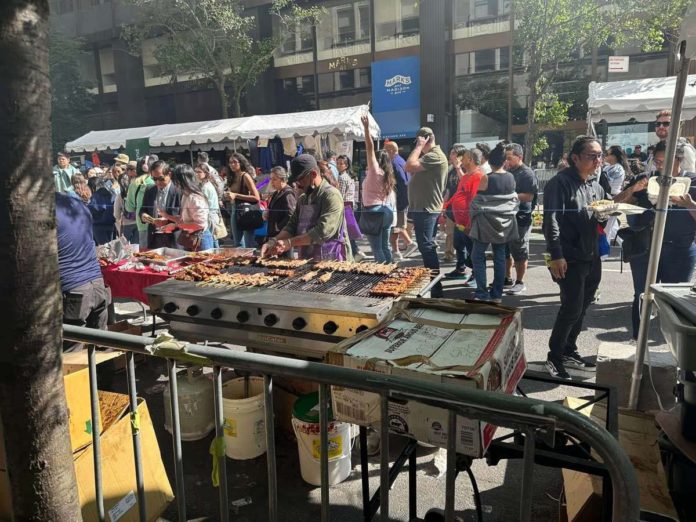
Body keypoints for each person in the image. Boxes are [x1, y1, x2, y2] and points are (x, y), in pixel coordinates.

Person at [614, 139, 696, 340]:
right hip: (645, 249)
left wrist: (689, 204)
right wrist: (633, 190)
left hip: (680, 250)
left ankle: (675, 344)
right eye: (657, 162)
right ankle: (638, 340)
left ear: (679, 160)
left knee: (675, 300)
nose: (661, 167)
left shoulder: (692, 182)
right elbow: (615, 204)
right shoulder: (646, 178)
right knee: (642, 296)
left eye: (665, 161)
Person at [543, 136, 607, 380]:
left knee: (582, 307)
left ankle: (569, 350)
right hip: (568, 257)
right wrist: (556, 255)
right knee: (570, 308)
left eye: (600, 155)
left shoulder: (595, 186)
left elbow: (598, 218)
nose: (598, 160)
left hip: (591, 255)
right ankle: (555, 356)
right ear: (575, 158)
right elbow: (551, 220)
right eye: (592, 155)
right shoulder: (559, 183)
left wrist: (604, 216)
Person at [261, 154, 351, 261]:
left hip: (333, 259)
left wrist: (289, 243)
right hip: (308, 259)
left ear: (313, 174)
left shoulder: (332, 195)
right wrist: (273, 241)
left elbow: (322, 232)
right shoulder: (303, 199)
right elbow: (291, 226)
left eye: (300, 179)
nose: (297, 184)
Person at [56, 191, 111, 350]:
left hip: (73, 290)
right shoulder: (77, 204)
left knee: (72, 349)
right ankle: (106, 374)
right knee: (103, 343)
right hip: (97, 284)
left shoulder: (43, 211)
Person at [469, 143, 519, 303]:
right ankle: (497, 294)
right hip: (505, 224)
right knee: (499, 256)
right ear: (505, 161)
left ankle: (482, 292)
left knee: (477, 256)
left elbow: (476, 202)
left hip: (485, 224)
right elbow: (513, 199)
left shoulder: (486, 178)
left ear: (489, 162)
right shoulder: (511, 177)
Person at [404, 127, 449, 297]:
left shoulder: (435, 155)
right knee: (426, 246)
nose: (417, 145)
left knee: (426, 247)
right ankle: (434, 285)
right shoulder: (430, 157)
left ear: (425, 139)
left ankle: (436, 287)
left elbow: (409, 166)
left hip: (426, 208)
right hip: (422, 208)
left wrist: (418, 147)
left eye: (418, 141)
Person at [444, 148, 485, 280]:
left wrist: (469, 224)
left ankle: (476, 275)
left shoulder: (478, 176)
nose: (462, 159)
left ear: (470, 160)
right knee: (458, 244)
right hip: (459, 220)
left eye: (464, 157)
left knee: (472, 250)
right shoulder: (467, 174)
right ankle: (461, 269)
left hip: (468, 222)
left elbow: (474, 201)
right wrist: (446, 205)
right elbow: (459, 192)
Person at [360, 115, 396, 264]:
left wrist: (366, 128)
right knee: (384, 246)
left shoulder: (375, 171)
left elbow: (370, 148)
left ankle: (382, 277)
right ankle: (391, 272)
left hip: (374, 213)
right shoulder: (388, 174)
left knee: (377, 249)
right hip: (386, 212)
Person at [504, 143, 539, 295]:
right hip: (506, 215)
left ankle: (520, 281)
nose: (507, 161)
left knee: (519, 249)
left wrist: (510, 196)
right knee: (505, 248)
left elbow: (529, 196)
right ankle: (507, 278)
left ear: (520, 157)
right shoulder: (507, 171)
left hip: (521, 217)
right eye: (505, 158)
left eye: (509, 158)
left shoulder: (527, 173)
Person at [160, 164, 214, 251]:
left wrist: (175, 226)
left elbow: (200, 224)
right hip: (190, 238)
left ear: (181, 180)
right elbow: (184, 220)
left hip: (200, 239)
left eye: (174, 180)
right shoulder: (186, 195)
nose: (174, 184)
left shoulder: (195, 197)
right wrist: (167, 216)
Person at [384, 142, 417, 261]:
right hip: (402, 199)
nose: (384, 153)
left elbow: (403, 182)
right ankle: (409, 243)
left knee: (395, 227)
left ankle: (396, 251)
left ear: (392, 150)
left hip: (399, 200)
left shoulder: (394, 162)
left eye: (385, 150)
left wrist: (400, 201)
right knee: (398, 225)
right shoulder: (401, 160)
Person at [140, 161, 181, 249]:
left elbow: (184, 217)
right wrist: (151, 219)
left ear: (169, 174)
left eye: (161, 178)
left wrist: (169, 220)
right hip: (154, 238)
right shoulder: (150, 190)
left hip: (174, 239)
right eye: (154, 179)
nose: (158, 182)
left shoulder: (179, 191)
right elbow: (143, 210)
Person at [224, 153, 260, 248]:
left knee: (248, 243)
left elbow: (256, 197)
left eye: (235, 162)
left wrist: (235, 195)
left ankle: (250, 261)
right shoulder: (232, 177)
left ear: (241, 163)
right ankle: (241, 261)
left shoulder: (245, 176)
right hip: (234, 209)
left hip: (246, 211)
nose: (232, 164)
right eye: (230, 162)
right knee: (237, 242)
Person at [125, 154, 157, 249]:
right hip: (161, 224)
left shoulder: (134, 183)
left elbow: (129, 208)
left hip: (142, 223)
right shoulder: (157, 181)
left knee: (145, 254)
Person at [336, 155, 364, 261]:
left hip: (345, 206)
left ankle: (355, 252)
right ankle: (355, 252)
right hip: (350, 206)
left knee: (346, 231)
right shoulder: (348, 176)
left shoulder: (342, 178)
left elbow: (340, 195)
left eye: (341, 163)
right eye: (337, 163)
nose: (339, 165)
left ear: (346, 165)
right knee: (348, 231)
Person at [443, 145, 467, 263]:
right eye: (451, 153)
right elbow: (448, 189)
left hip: (463, 209)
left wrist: (458, 168)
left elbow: (465, 183)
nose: (450, 155)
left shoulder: (466, 168)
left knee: (462, 234)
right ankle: (448, 253)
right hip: (451, 207)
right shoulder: (450, 169)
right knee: (449, 232)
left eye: (453, 153)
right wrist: (444, 204)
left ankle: (463, 257)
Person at [193, 163, 223, 248]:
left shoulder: (205, 187)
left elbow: (204, 204)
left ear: (205, 173)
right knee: (213, 239)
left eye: (199, 172)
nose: (196, 174)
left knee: (212, 239)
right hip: (211, 214)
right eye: (195, 172)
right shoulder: (205, 184)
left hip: (210, 215)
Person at [264, 166, 297, 242]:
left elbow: (291, 215)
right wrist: (267, 212)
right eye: (271, 179)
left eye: (274, 179)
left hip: (282, 238)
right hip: (273, 235)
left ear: (283, 180)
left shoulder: (288, 194)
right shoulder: (276, 193)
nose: (271, 182)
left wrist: (278, 227)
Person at [87, 177, 116, 245]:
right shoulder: (112, 193)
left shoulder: (96, 195)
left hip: (99, 226)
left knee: (103, 250)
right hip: (111, 224)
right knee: (111, 247)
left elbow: (95, 208)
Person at [113, 171, 138, 243]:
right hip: (138, 224)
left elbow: (116, 214)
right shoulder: (137, 193)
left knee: (125, 248)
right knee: (136, 247)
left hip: (126, 225)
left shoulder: (120, 196)